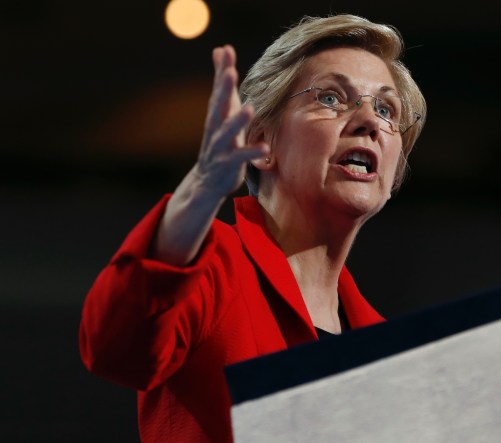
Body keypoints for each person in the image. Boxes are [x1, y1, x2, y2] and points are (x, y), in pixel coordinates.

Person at [79, 14, 426, 443]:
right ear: (260, 143)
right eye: (333, 99)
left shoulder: (387, 350)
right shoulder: (210, 267)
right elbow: (117, 351)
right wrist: (202, 189)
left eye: (386, 108)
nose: (368, 121)